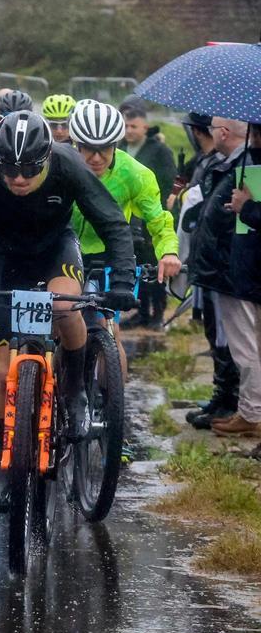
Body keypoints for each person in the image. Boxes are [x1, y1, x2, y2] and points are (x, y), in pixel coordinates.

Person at [0, 111, 136, 513]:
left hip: (55, 251)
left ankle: (73, 394)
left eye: (29, 170)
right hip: (5, 258)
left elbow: (112, 223)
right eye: (11, 170)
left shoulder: (68, 164)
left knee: (63, 307)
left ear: (47, 160)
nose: (19, 179)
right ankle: (6, 464)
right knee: (4, 372)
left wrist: (123, 280)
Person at [67, 100, 181, 371]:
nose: (96, 158)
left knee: (111, 331)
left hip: (111, 255)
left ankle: (114, 407)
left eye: (104, 149)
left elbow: (158, 219)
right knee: (63, 325)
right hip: (66, 252)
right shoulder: (60, 164)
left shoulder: (135, 174)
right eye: (88, 149)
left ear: (116, 144)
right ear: (75, 144)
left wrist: (168, 251)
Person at [189, 119, 261, 438]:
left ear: (224, 132)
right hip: (237, 270)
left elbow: (250, 230)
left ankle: (251, 413)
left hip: (241, 272)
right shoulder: (241, 164)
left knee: (246, 348)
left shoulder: (251, 166)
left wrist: (245, 208)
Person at [176, 112, 241, 429]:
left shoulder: (240, 166)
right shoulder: (219, 164)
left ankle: (232, 401)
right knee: (216, 334)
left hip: (227, 268)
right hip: (212, 266)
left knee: (230, 338)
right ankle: (223, 395)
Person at [120, 103, 177, 329]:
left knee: (155, 269)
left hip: (151, 214)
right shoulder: (120, 147)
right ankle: (141, 311)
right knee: (138, 268)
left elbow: (167, 180)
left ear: (145, 127)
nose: (129, 130)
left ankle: (158, 313)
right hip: (129, 219)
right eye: (126, 126)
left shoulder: (159, 150)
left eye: (134, 126)